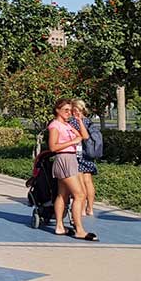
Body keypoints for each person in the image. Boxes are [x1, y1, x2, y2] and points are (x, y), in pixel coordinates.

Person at [48, 98, 97, 241]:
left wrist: (79, 120)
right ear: (57, 110)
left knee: (62, 194)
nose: (68, 112)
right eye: (66, 110)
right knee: (80, 195)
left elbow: (84, 136)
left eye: (70, 110)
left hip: (71, 159)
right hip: (64, 159)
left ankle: (59, 226)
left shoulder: (67, 125)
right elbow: (53, 147)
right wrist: (72, 142)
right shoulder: (55, 125)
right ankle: (79, 230)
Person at [69, 99, 98, 216]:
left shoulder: (74, 121)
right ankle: (90, 208)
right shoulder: (89, 121)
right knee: (88, 182)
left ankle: (81, 208)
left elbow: (84, 136)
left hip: (78, 154)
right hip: (88, 153)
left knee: (81, 182)